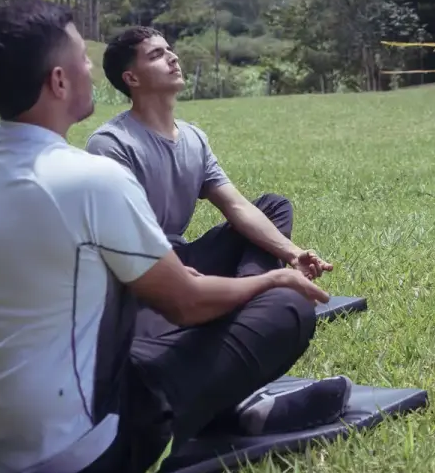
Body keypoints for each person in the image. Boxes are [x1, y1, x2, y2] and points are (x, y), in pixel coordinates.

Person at [0, 0, 351, 473]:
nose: (92, 69)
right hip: (75, 451)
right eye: (83, 60)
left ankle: (221, 402)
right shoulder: (92, 174)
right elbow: (186, 304)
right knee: (285, 309)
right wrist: (277, 277)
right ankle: (225, 410)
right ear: (59, 82)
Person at [86, 26, 332, 337]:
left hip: (185, 259)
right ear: (131, 79)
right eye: (156, 55)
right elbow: (117, 240)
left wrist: (292, 252)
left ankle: (250, 293)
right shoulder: (112, 144)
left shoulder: (193, 138)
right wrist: (171, 278)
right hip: (141, 273)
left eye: (169, 50)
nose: (173, 58)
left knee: (273, 206)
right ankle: (249, 297)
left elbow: (235, 205)